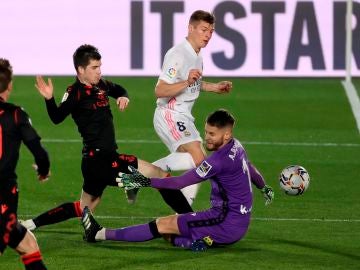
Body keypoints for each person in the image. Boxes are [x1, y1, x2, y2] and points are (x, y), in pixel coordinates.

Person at [20, 44, 193, 232]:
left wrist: (123, 97)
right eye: (94, 68)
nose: (99, 72)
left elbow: (118, 89)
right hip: (102, 161)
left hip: (96, 162)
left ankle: (31, 224)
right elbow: (56, 118)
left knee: (83, 207)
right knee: (160, 177)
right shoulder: (74, 93)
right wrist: (49, 99)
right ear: (80, 70)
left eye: (100, 66)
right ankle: (193, 220)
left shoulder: (101, 84)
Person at [81, 109, 274, 251]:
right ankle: (200, 241)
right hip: (238, 222)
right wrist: (264, 186)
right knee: (169, 231)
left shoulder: (217, 161)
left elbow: (179, 183)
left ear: (227, 134)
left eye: (212, 134)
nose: (206, 138)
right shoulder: (237, 146)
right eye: (206, 132)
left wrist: (144, 181)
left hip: (224, 222)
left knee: (163, 226)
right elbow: (250, 168)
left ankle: (99, 233)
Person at [152, 10, 233, 205]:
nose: (208, 35)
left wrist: (214, 87)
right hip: (169, 114)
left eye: (211, 31)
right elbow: (160, 90)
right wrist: (187, 82)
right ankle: (145, 173)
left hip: (184, 116)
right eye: (204, 30)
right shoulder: (178, 54)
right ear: (191, 28)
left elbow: (194, 83)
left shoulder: (197, 54)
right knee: (199, 159)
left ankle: (183, 209)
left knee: (196, 163)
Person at [0, 58, 50, 269]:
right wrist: (44, 170)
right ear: (10, 85)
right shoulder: (16, 114)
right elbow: (38, 151)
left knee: (28, 243)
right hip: (2, 195)